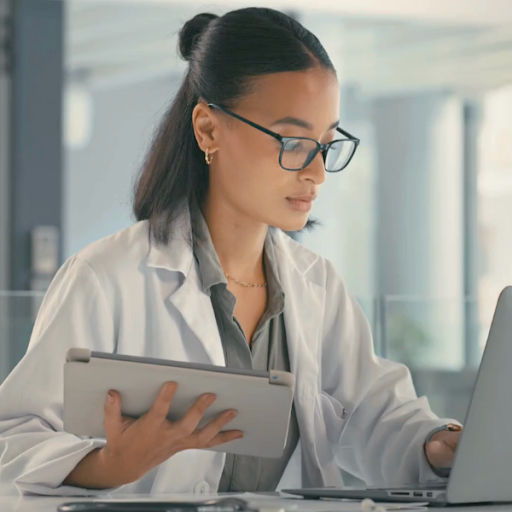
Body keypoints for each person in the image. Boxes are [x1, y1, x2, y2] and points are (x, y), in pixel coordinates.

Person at [0, 7, 461, 497]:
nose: (317, 172)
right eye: (293, 141)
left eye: (326, 144)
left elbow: (376, 415)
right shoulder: (105, 278)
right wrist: (110, 464)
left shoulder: (316, 285)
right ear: (209, 130)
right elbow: (12, 443)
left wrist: (440, 443)